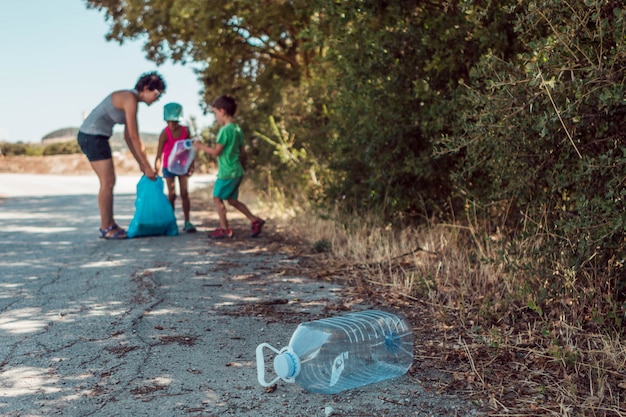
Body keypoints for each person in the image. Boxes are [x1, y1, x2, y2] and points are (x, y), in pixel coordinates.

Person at [78, 71, 165, 239]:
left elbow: (128, 137)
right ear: (146, 88)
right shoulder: (129, 99)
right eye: (156, 94)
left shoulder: (131, 101)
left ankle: (109, 224)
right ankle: (106, 227)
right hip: (92, 136)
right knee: (108, 181)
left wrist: (142, 164)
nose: (157, 99)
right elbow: (134, 136)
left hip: (97, 137)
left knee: (109, 181)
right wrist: (146, 166)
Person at [193, 95, 265, 239]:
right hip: (237, 170)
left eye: (215, 113)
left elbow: (216, 152)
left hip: (227, 172)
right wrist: (243, 168)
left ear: (223, 111)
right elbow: (243, 152)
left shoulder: (225, 130)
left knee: (217, 197)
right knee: (232, 200)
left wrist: (200, 146)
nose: (216, 117)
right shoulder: (237, 129)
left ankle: (224, 229)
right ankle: (255, 220)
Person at [154, 102, 197, 233]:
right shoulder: (165, 133)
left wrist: (191, 165)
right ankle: (171, 221)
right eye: (169, 121)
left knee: (184, 193)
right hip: (168, 167)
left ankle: (187, 221)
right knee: (172, 195)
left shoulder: (185, 131)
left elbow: (191, 149)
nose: (172, 125)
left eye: (174, 121)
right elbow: (159, 154)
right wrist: (155, 171)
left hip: (182, 166)